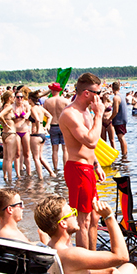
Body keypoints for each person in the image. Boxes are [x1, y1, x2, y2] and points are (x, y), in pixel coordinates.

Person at [59, 73, 106, 250]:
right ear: (87, 93)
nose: (99, 97)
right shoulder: (71, 114)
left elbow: (90, 148)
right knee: (83, 220)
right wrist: (99, 116)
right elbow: (91, 141)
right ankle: (84, 264)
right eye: (97, 93)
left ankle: (92, 256)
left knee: (94, 217)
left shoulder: (86, 112)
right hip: (77, 168)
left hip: (88, 167)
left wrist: (96, 164)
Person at [43, 84, 69, 172]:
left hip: (52, 126)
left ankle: (55, 169)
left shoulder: (47, 101)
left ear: (52, 91)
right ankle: (66, 168)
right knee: (65, 149)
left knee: (54, 150)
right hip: (63, 125)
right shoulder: (65, 101)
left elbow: (45, 115)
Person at [110, 80, 129, 159]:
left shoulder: (116, 97)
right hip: (123, 119)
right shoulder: (121, 96)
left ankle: (124, 155)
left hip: (119, 120)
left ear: (112, 88)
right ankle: (124, 154)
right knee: (121, 137)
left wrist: (109, 119)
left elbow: (115, 111)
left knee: (121, 138)